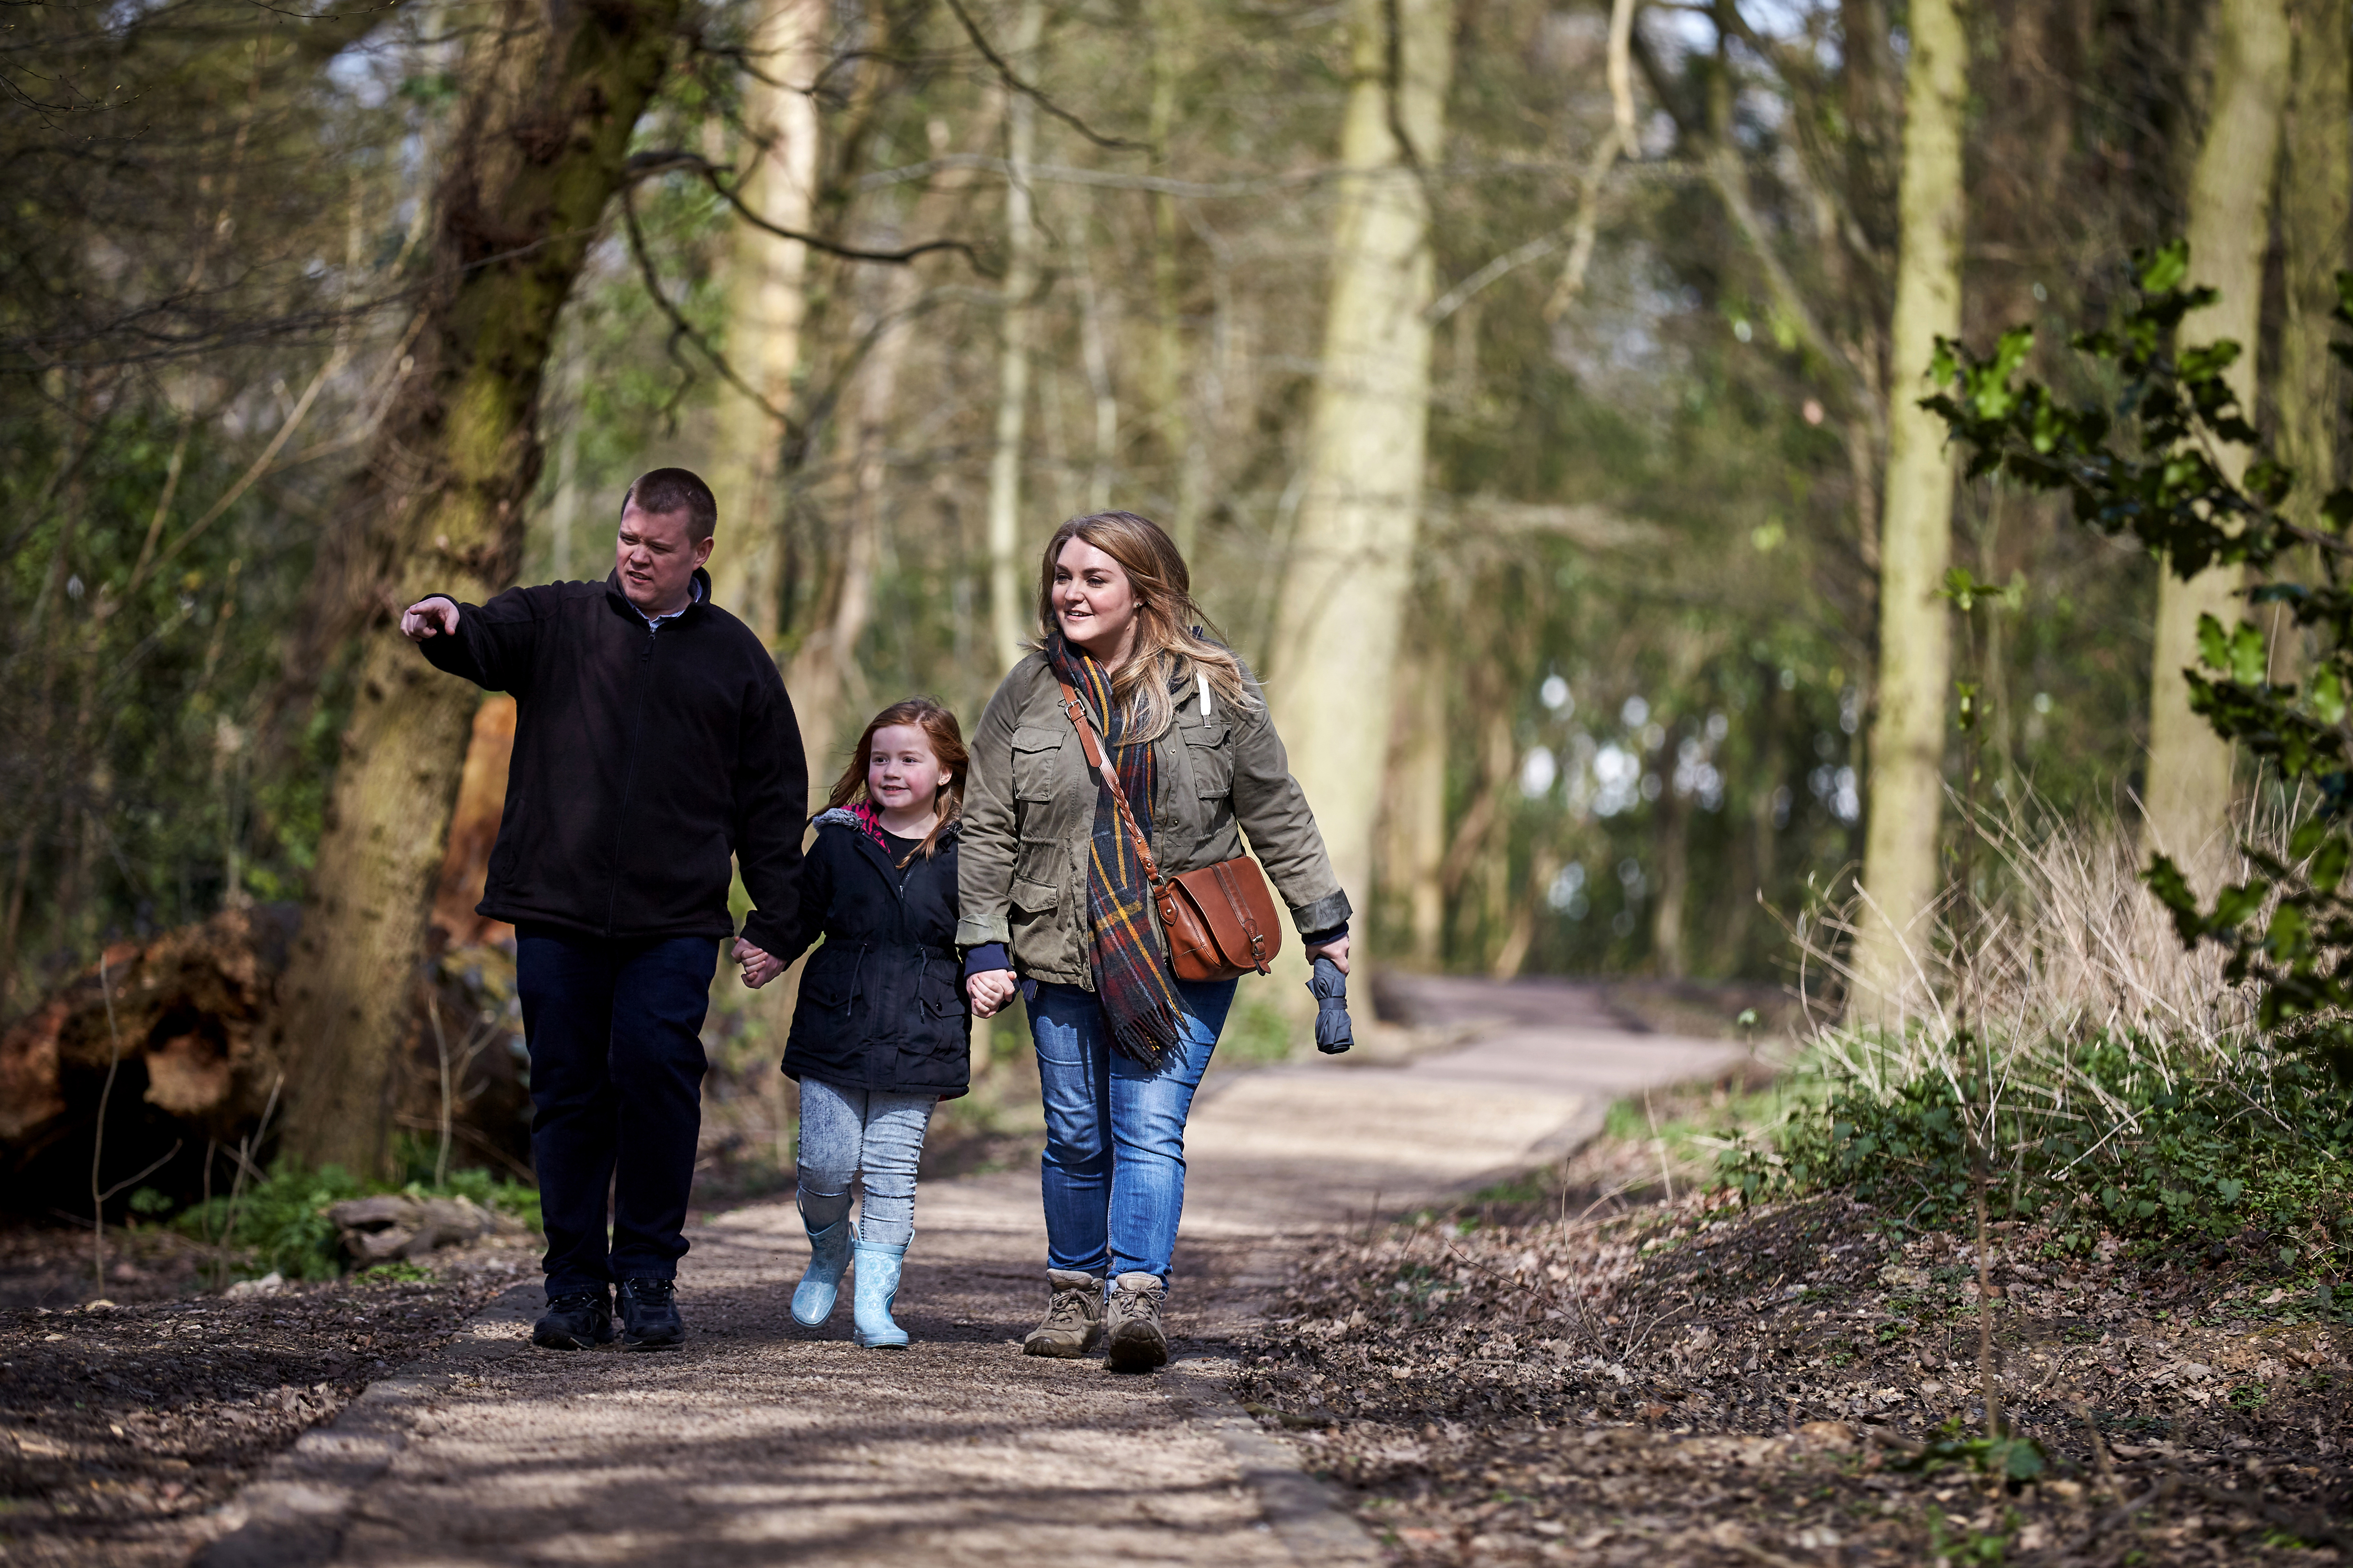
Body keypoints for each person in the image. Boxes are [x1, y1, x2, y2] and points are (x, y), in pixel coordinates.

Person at [399, 467, 807, 1353]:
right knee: (568, 1091)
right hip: (558, 907)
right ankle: (577, 1283)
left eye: (658, 547)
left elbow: (772, 797)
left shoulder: (733, 656)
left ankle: (650, 1273)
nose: (636, 556)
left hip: (675, 918)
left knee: (657, 1072)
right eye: (628, 537)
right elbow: (486, 634)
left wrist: (779, 917)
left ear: (700, 552)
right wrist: (447, 618)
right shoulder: (562, 620)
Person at [958, 510, 1351, 1372]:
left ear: (1145, 589)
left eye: (1095, 578)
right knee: (1074, 1134)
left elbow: (1275, 805)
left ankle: (1136, 1297)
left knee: (1147, 1124)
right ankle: (1072, 1295)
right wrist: (982, 940)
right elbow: (985, 822)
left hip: (1183, 952)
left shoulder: (1214, 686)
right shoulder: (1027, 690)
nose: (1073, 592)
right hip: (1057, 947)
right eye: (1063, 576)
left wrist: (1324, 920)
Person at [741, 699, 971, 1349]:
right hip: (835, 1027)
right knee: (825, 1164)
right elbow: (803, 911)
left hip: (923, 1031)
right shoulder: (840, 840)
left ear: (947, 771)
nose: (890, 770)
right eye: (879, 759)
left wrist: (994, 972)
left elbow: (986, 931)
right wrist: (772, 950)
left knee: (892, 1172)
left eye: (908, 759)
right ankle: (828, 1250)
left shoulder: (968, 850)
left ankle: (875, 1305)